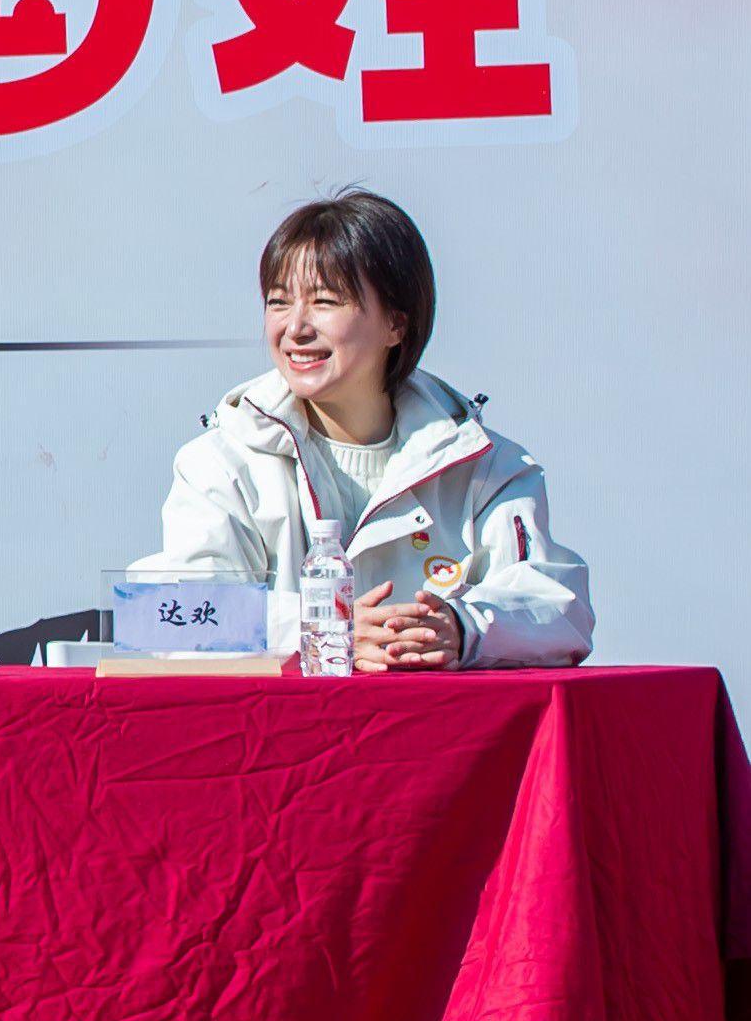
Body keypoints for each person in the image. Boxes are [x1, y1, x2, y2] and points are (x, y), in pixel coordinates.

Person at [150, 190, 586, 669]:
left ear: (396, 323)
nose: (295, 328)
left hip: (438, 720)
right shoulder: (221, 460)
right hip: (288, 720)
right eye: (278, 302)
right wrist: (322, 627)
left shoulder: (486, 466)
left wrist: (464, 629)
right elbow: (169, 617)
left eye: (324, 301)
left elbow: (561, 610)